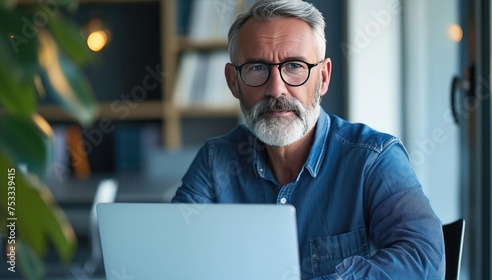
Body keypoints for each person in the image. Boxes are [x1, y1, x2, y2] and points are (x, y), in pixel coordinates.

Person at [172, 0, 445, 279]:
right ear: (233, 82)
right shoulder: (214, 161)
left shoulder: (373, 159)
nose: (276, 89)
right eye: (257, 68)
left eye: (294, 66)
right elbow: (172, 254)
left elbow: (423, 259)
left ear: (323, 77)